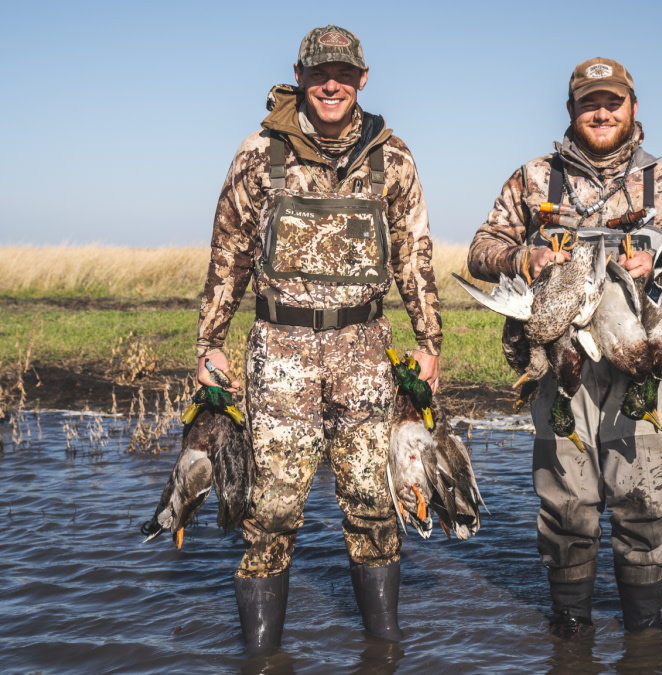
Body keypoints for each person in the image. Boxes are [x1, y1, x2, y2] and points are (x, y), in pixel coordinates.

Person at [194, 25, 442, 654]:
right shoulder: (259, 153)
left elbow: (414, 257)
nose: (331, 83)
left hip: (366, 351)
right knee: (270, 515)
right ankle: (260, 658)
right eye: (319, 72)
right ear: (300, 75)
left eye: (343, 72)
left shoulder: (394, 156)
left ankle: (385, 651)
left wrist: (429, 340)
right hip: (279, 355)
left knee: (374, 509)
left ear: (362, 78)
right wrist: (210, 344)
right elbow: (228, 254)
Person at [468, 57, 662, 637]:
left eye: (613, 102)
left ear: (633, 109)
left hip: (641, 368)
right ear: (571, 110)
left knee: (645, 500)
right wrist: (521, 257)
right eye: (589, 102)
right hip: (564, 367)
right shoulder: (534, 179)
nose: (602, 112)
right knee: (566, 502)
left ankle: (644, 629)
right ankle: (572, 624)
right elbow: (481, 248)